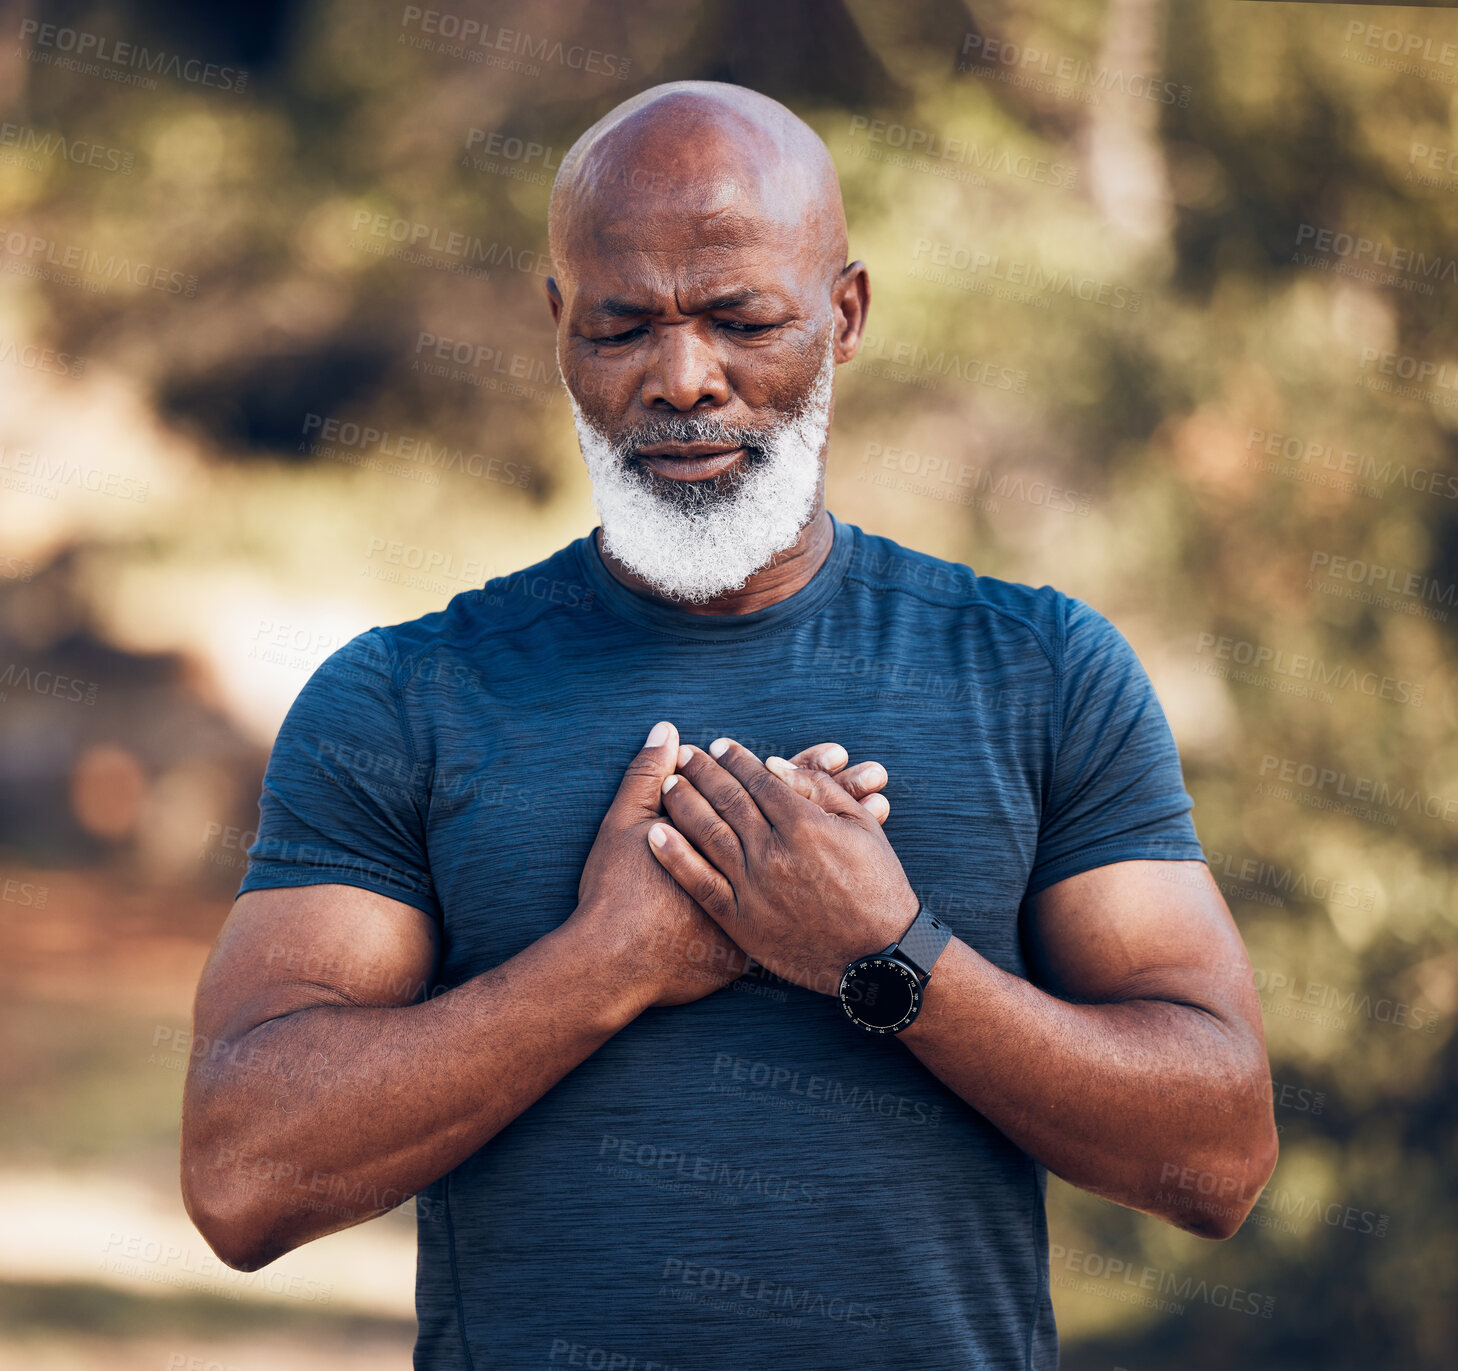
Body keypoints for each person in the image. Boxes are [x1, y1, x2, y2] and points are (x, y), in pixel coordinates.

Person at [181, 81, 1278, 1370]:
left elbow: (1218, 1157)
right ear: (555, 326)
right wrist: (609, 965)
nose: (682, 378)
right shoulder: (407, 697)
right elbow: (243, 1177)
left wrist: (886, 953)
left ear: (845, 315)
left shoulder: (1040, 673)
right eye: (621, 327)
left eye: (742, 319)